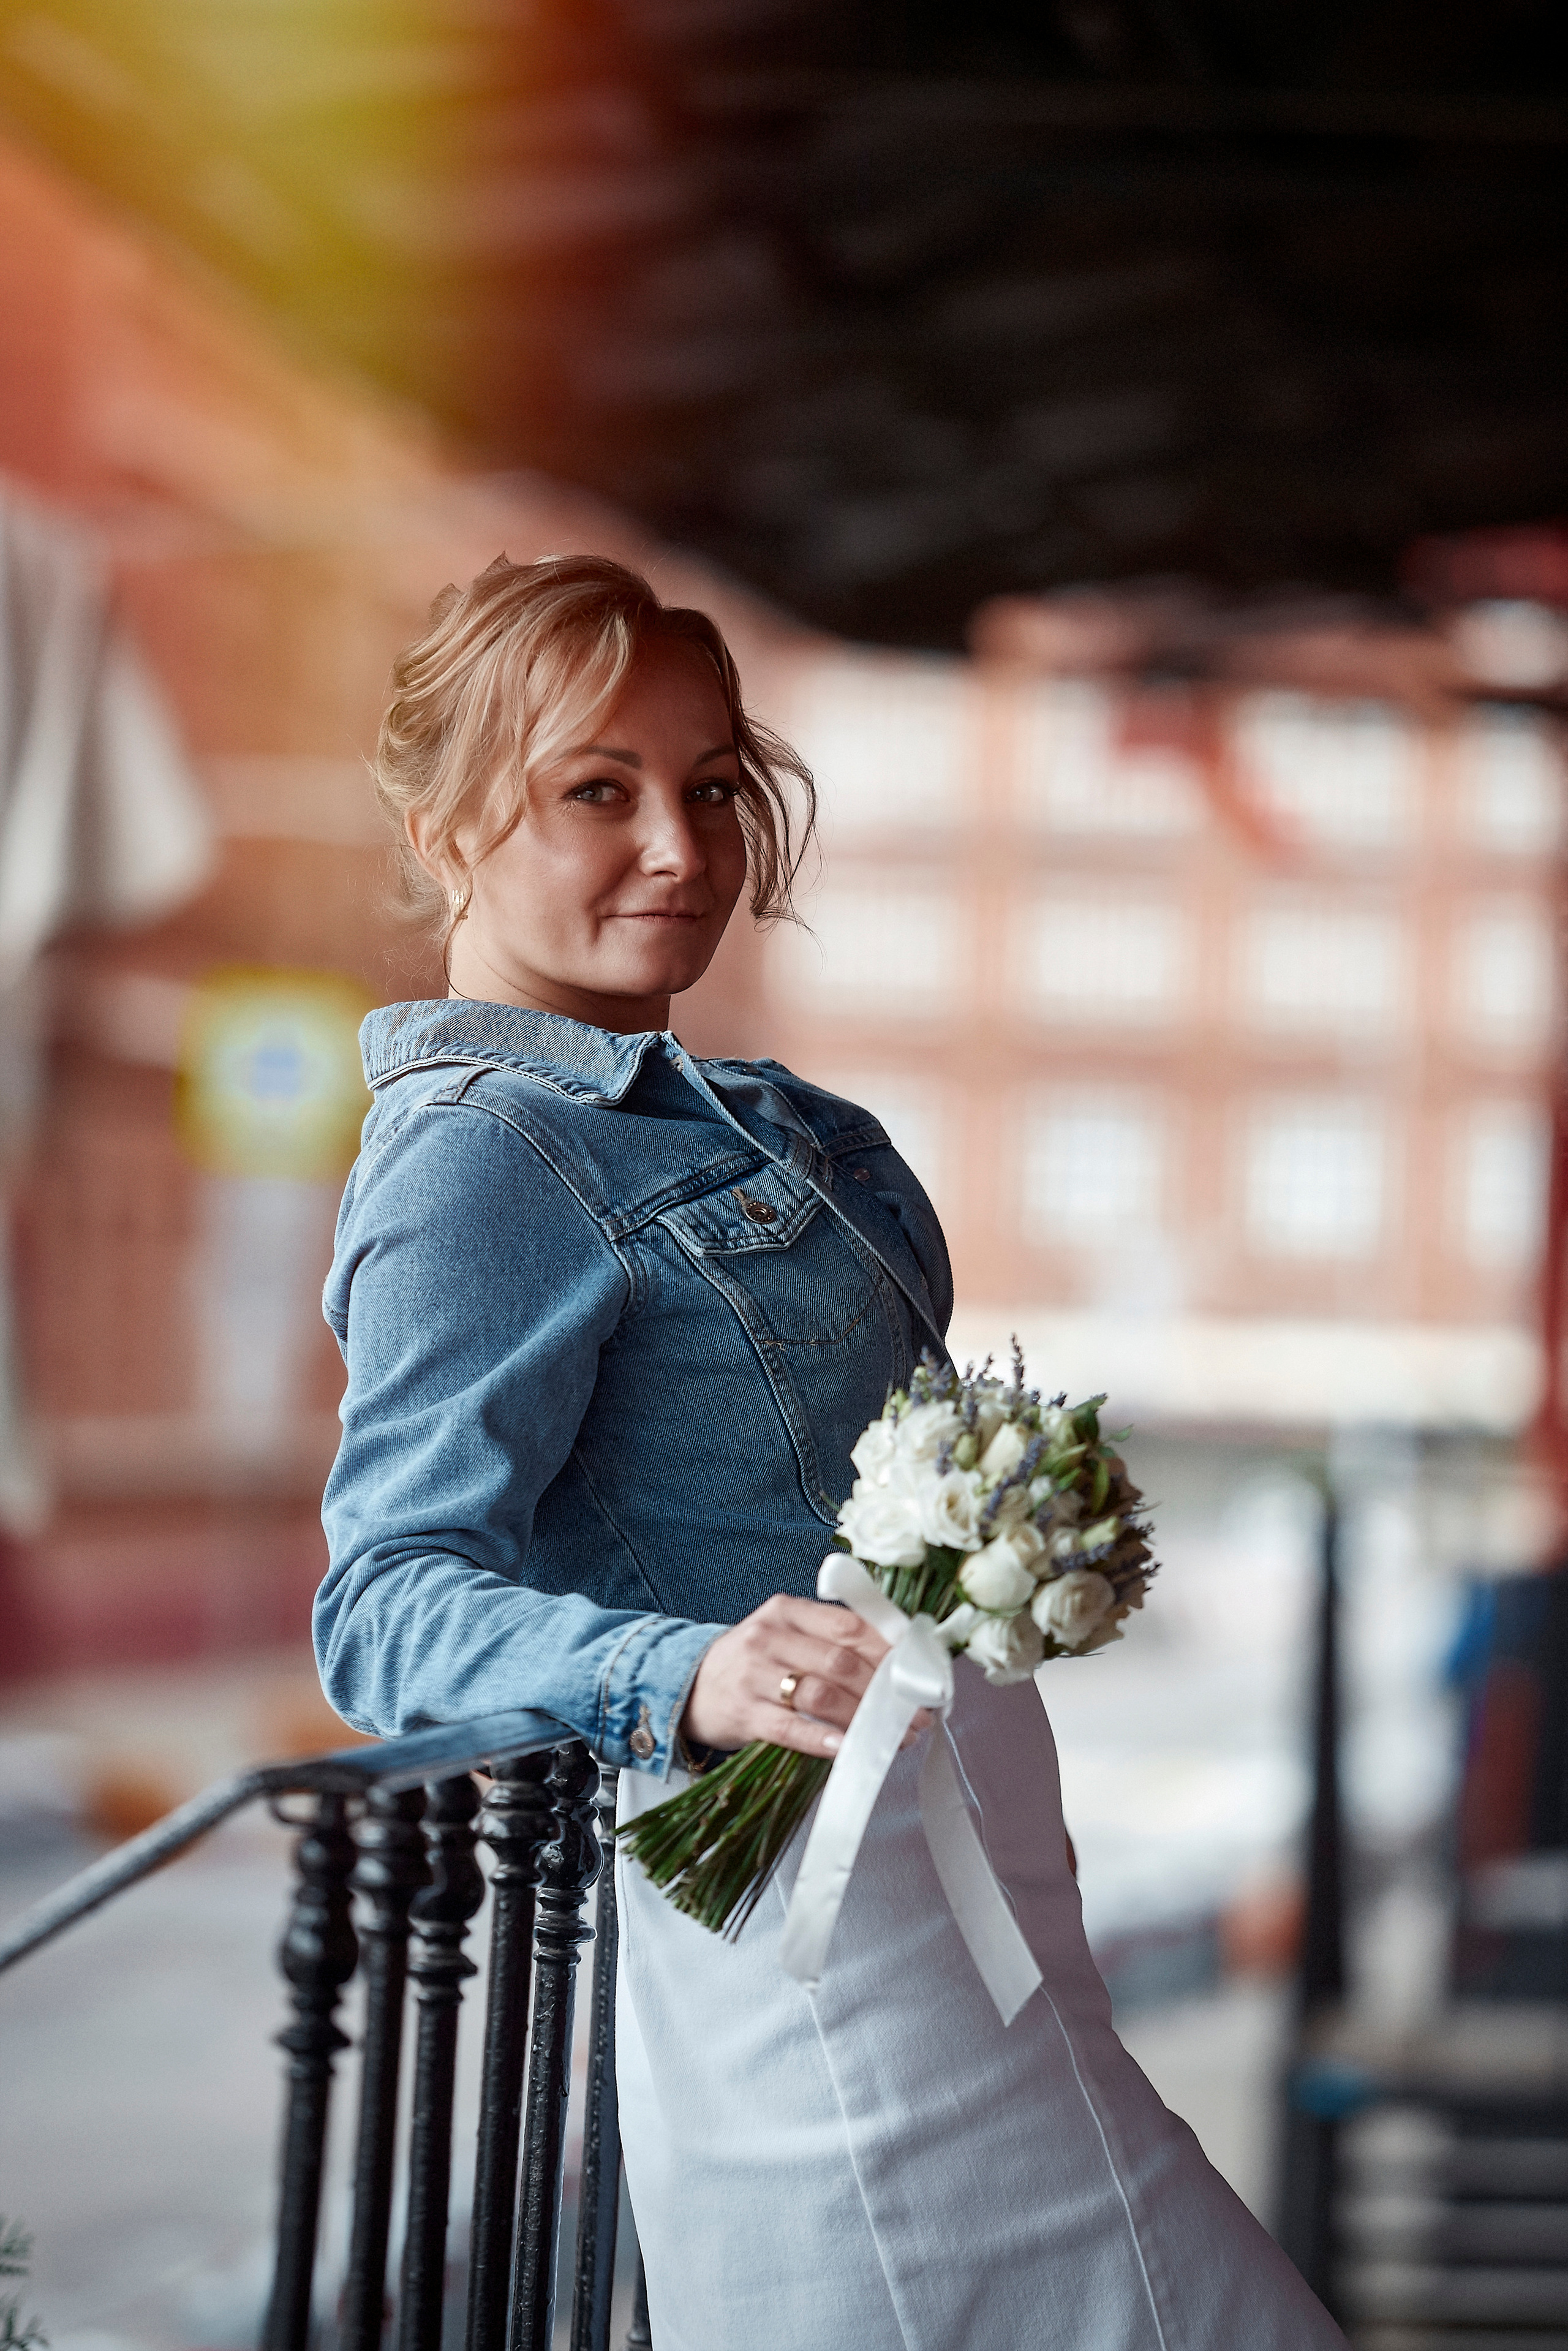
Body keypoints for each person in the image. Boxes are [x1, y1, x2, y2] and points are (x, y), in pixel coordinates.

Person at [316, 554, 1347, 2350]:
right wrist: (684, 1669)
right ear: (440, 823)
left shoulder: (781, 1120)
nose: (682, 849)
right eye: (597, 790)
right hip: (805, 1923)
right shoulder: (482, 1160)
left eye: (714, 785)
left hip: (969, 1864)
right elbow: (384, 1605)